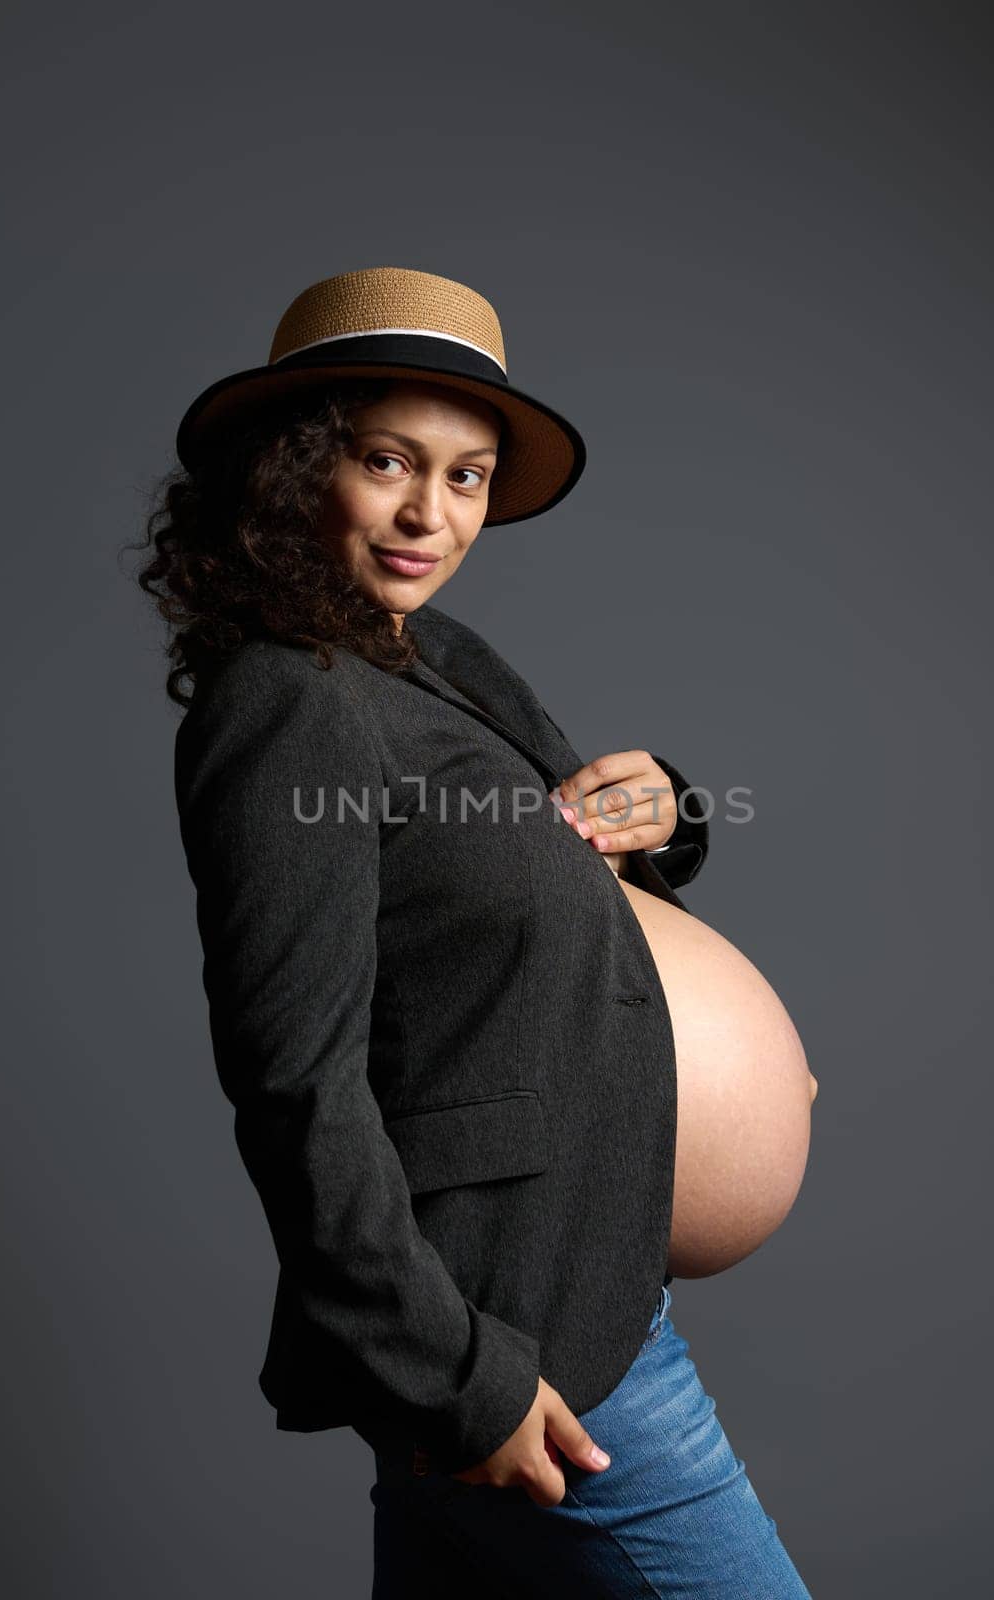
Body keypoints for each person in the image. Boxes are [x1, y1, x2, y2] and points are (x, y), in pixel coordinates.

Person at [137, 266, 814, 1596]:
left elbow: (565, 880)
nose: (427, 514)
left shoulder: (425, 656)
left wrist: (662, 814)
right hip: (523, 1325)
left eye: (467, 477)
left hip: (565, 1279)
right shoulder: (290, 704)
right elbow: (294, 1083)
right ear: (291, 468)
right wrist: (458, 1377)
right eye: (387, 460)